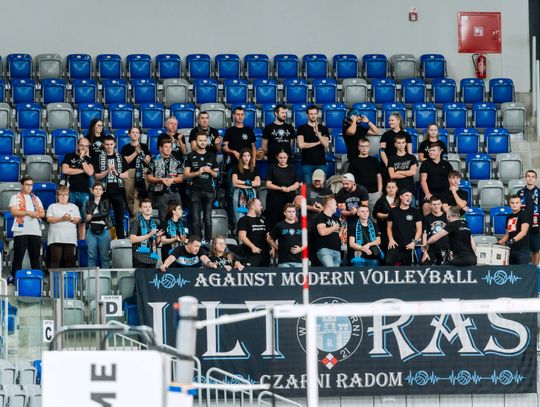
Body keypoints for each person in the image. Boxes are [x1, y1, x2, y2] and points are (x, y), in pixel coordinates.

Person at [183, 133, 219, 242]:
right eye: (200, 140)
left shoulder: (212, 156)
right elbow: (186, 174)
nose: (202, 143)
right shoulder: (190, 156)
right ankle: (197, 242)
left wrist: (210, 171)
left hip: (209, 191)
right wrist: (198, 172)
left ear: (207, 142)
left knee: (208, 219)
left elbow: (216, 175)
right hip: (195, 191)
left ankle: (208, 242)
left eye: (204, 140)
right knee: (195, 220)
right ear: (196, 142)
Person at [9, 176, 45, 282]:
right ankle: (14, 279)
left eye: (31, 185)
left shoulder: (36, 198)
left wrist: (37, 214)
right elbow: (14, 212)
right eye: (27, 184)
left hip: (35, 231)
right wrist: (29, 213)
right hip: (21, 231)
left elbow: (42, 213)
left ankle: (37, 280)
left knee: (35, 257)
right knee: (18, 257)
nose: (29, 187)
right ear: (22, 185)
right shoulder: (15, 197)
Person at [94, 135, 129, 239]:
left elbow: (126, 175)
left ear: (114, 144)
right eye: (107, 144)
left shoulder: (120, 157)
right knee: (103, 217)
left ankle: (120, 241)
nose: (109, 147)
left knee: (119, 219)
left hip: (119, 191)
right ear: (103, 145)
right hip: (104, 193)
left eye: (111, 144)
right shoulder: (98, 157)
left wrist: (117, 174)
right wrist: (107, 171)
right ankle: (104, 241)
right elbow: (96, 176)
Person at [61, 137, 94, 238]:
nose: (83, 148)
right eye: (81, 145)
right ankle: (69, 241)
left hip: (84, 193)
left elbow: (90, 172)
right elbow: (65, 170)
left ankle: (81, 242)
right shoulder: (69, 156)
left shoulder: (89, 159)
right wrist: (82, 170)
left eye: (86, 146)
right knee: (69, 218)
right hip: (70, 192)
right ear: (77, 145)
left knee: (82, 220)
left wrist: (82, 158)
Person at [146, 138, 184, 223]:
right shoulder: (154, 160)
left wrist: (172, 179)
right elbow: (148, 177)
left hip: (174, 192)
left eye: (170, 147)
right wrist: (161, 180)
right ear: (161, 148)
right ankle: (165, 231)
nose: (168, 149)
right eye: (166, 147)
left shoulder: (177, 160)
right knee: (163, 218)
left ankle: (178, 231)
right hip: (161, 193)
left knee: (179, 216)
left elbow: (181, 178)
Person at [46, 186, 81, 269]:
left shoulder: (74, 207)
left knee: (70, 261)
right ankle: (54, 277)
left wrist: (70, 218)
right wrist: (62, 218)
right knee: (55, 260)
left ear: (68, 196)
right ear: (57, 196)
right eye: (61, 194)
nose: (63, 196)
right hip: (56, 238)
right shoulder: (52, 206)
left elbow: (79, 220)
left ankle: (70, 277)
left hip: (70, 238)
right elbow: (49, 219)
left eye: (65, 194)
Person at [264, 150, 300, 230]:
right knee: (274, 218)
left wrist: (288, 189)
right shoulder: (272, 168)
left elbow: (297, 184)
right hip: (275, 198)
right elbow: (268, 184)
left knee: (289, 217)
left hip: (289, 197)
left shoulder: (292, 168)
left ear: (287, 157)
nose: (283, 159)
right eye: (280, 158)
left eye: (284, 158)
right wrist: (280, 188)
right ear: (277, 157)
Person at [386, 189, 422, 266]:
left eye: (410, 196)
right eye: (407, 195)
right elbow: (389, 228)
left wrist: (414, 243)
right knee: (388, 263)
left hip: (408, 246)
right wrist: (391, 239)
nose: (409, 198)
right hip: (395, 245)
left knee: (406, 268)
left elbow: (419, 230)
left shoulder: (415, 212)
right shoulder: (393, 211)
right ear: (401, 197)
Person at [121, 126, 151, 216]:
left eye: (137, 132)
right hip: (129, 172)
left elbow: (147, 161)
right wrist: (135, 152)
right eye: (133, 132)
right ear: (129, 134)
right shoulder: (125, 147)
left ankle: (137, 218)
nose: (135, 134)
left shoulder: (144, 146)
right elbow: (126, 161)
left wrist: (141, 154)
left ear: (139, 135)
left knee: (139, 195)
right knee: (129, 196)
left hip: (142, 171)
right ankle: (134, 216)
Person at [347, 137, 383, 211]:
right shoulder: (353, 161)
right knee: (359, 216)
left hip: (374, 194)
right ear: (358, 148)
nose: (364, 148)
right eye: (362, 146)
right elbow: (350, 179)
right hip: (359, 194)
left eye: (366, 146)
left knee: (373, 217)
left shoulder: (374, 161)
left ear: (369, 147)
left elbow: (379, 176)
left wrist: (379, 192)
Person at [296, 105, 330, 184]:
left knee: (321, 187)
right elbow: (301, 145)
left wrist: (318, 134)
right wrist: (318, 142)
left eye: (315, 113)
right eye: (311, 114)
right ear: (307, 114)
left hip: (321, 163)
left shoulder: (324, 128)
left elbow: (326, 144)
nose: (313, 116)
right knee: (308, 187)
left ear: (318, 114)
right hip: (307, 163)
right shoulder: (301, 128)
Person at [419, 143, 452, 215]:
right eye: (430, 150)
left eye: (433, 150)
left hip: (445, 193)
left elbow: (451, 179)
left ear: (440, 152)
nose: (431, 152)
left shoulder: (447, 164)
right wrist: (427, 193)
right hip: (431, 192)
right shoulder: (425, 164)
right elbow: (423, 181)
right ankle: (427, 222)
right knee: (426, 206)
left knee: (448, 208)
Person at [85, 182, 112, 269]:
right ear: (92, 191)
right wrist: (92, 216)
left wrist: (92, 216)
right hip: (91, 230)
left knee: (105, 256)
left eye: (100, 189)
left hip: (104, 230)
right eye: (96, 189)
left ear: (103, 191)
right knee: (91, 255)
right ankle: (91, 276)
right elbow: (86, 217)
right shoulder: (88, 203)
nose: (98, 191)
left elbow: (104, 213)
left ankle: (105, 275)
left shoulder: (106, 201)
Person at [130, 199, 162, 268]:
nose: (148, 209)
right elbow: (132, 239)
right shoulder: (136, 221)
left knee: (151, 275)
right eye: (145, 207)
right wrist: (149, 235)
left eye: (149, 207)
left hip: (152, 258)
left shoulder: (155, 223)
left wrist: (158, 237)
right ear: (140, 209)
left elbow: (156, 244)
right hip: (139, 257)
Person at [498, 195, 531, 265]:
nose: (514, 205)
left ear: (520, 203)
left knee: (522, 271)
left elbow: (523, 232)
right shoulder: (508, 217)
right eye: (512, 203)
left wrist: (512, 240)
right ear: (509, 204)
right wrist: (498, 243)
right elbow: (507, 235)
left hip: (522, 250)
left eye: (517, 202)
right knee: (512, 271)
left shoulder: (524, 214)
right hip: (511, 250)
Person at [237, 198, 270, 267]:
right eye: (259, 205)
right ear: (253, 207)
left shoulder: (262, 220)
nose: (261, 207)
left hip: (265, 255)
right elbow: (242, 236)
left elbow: (268, 236)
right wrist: (253, 247)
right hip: (251, 254)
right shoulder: (244, 220)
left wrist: (273, 248)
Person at [268, 203, 303, 267]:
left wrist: (300, 249)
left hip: (298, 261)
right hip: (284, 261)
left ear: (296, 213)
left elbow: (306, 242)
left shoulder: (300, 226)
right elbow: (269, 238)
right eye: (289, 212)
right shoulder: (279, 225)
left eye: (293, 211)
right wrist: (277, 247)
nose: (291, 213)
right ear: (284, 213)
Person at [223, 106, 257, 171]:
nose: (240, 117)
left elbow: (253, 147)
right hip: (233, 163)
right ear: (233, 116)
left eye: (242, 114)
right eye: (238, 114)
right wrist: (233, 151)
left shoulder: (249, 130)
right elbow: (225, 148)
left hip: (247, 163)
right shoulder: (229, 131)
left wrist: (253, 162)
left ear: (244, 116)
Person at [231, 148, 261, 223]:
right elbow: (234, 183)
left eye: (248, 156)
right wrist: (250, 184)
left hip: (252, 194)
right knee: (240, 216)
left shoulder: (253, 168)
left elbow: (258, 183)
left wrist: (242, 182)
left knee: (252, 215)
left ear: (251, 157)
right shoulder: (236, 168)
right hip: (239, 194)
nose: (246, 158)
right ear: (241, 157)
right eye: (244, 156)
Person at [518, 169, 540, 265]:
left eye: (533, 177)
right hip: (522, 225)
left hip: (536, 225)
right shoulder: (520, 193)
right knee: (523, 251)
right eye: (528, 176)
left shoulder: (539, 192)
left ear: (535, 179)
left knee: (536, 250)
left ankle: (536, 271)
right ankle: (525, 272)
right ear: (525, 178)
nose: (530, 178)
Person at [314, 196, 342, 267]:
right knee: (331, 270)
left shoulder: (336, 219)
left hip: (337, 250)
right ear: (329, 205)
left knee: (336, 273)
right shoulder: (320, 216)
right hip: (325, 250)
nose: (336, 206)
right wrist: (334, 227)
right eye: (335, 204)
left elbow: (338, 233)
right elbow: (322, 232)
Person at [421, 196, 449, 265]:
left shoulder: (447, 216)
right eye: (434, 204)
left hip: (446, 248)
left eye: (438, 204)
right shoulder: (426, 218)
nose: (436, 206)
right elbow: (424, 235)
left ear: (441, 204)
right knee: (424, 263)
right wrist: (425, 252)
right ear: (430, 206)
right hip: (432, 248)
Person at [373, 180, 398, 255]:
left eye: (393, 187)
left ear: (396, 188)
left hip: (398, 229)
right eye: (388, 187)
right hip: (383, 228)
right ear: (386, 189)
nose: (391, 189)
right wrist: (386, 216)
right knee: (385, 248)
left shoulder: (400, 199)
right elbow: (375, 213)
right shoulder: (381, 200)